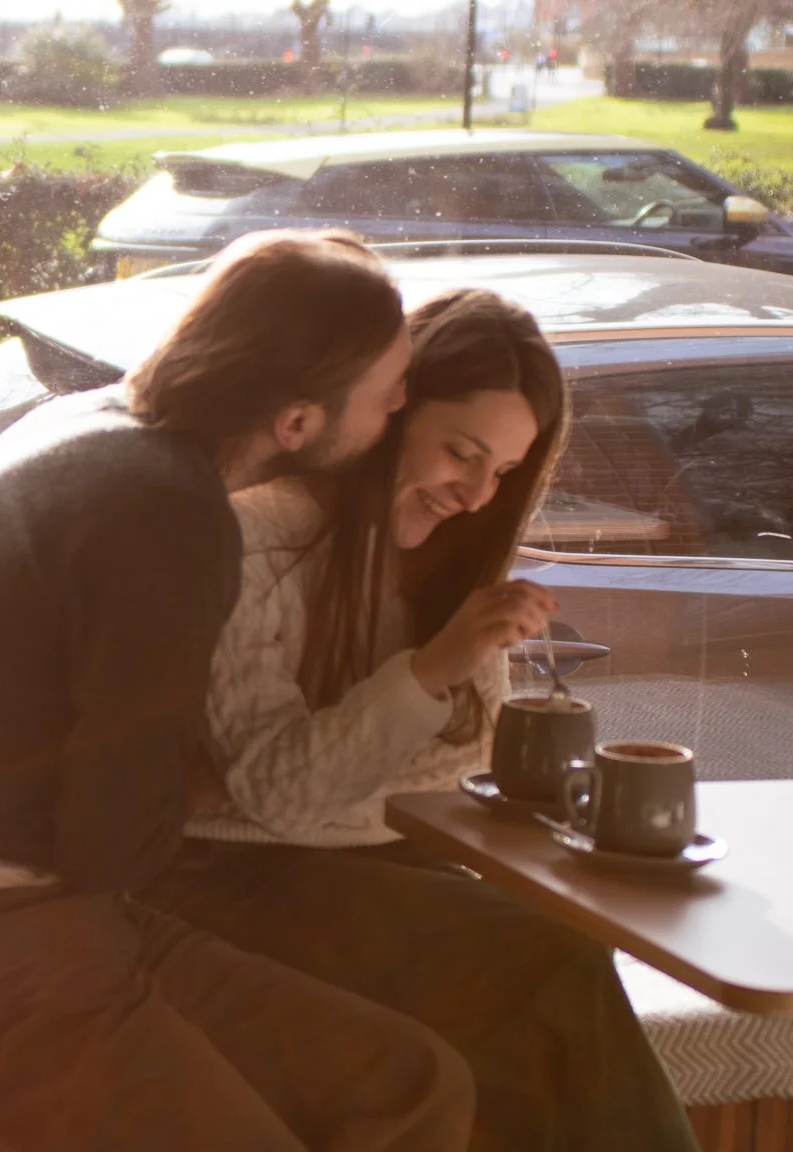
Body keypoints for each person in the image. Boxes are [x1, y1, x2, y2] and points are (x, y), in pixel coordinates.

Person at [0, 230, 474, 1151]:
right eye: (386, 391)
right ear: (295, 422)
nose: (403, 405)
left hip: (26, 910)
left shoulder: (89, 423)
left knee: (411, 1083)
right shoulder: (169, 511)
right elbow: (112, 838)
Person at [146, 289, 701, 1151]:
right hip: (234, 875)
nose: (477, 495)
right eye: (462, 452)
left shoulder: (449, 567)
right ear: (389, 415)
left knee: (544, 990)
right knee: (556, 971)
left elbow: (460, 765)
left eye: (504, 474)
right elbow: (280, 799)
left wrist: (407, 726)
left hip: (378, 866)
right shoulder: (255, 543)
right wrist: (432, 670)